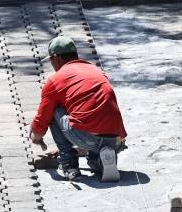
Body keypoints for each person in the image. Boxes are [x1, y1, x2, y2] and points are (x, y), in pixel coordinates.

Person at [29, 36, 127, 182]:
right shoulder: (96, 71)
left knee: (54, 109)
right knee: (89, 113)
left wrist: (36, 137)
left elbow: (41, 122)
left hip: (88, 139)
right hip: (117, 139)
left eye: (51, 61)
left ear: (56, 58)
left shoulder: (55, 81)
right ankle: (100, 160)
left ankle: (70, 166)